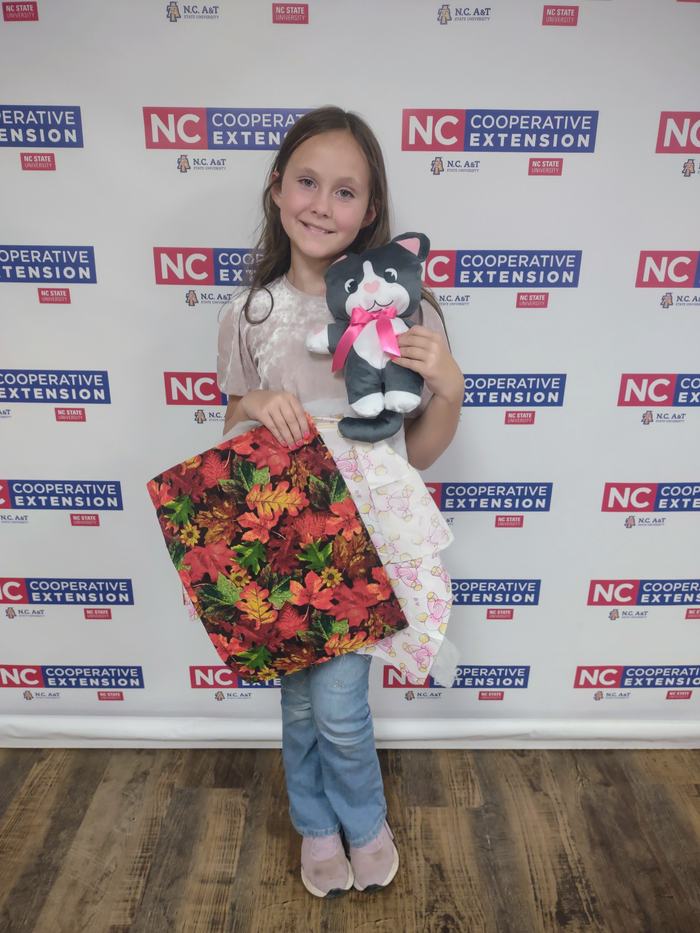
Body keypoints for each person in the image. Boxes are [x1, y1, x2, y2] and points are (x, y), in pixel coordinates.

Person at [216, 106, 464, 898]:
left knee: (341, 707)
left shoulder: (403, 310)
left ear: (372, 209)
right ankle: (315, 825)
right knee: (297, 704)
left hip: (368, 532)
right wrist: (254, 406)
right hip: (285, 530)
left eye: (346, 191)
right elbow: (228, 433)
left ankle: (365, 822)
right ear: (277, 188)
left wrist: (449, 386)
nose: (322, 204)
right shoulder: (248, 312)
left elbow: (414, 452)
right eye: (308, 181)